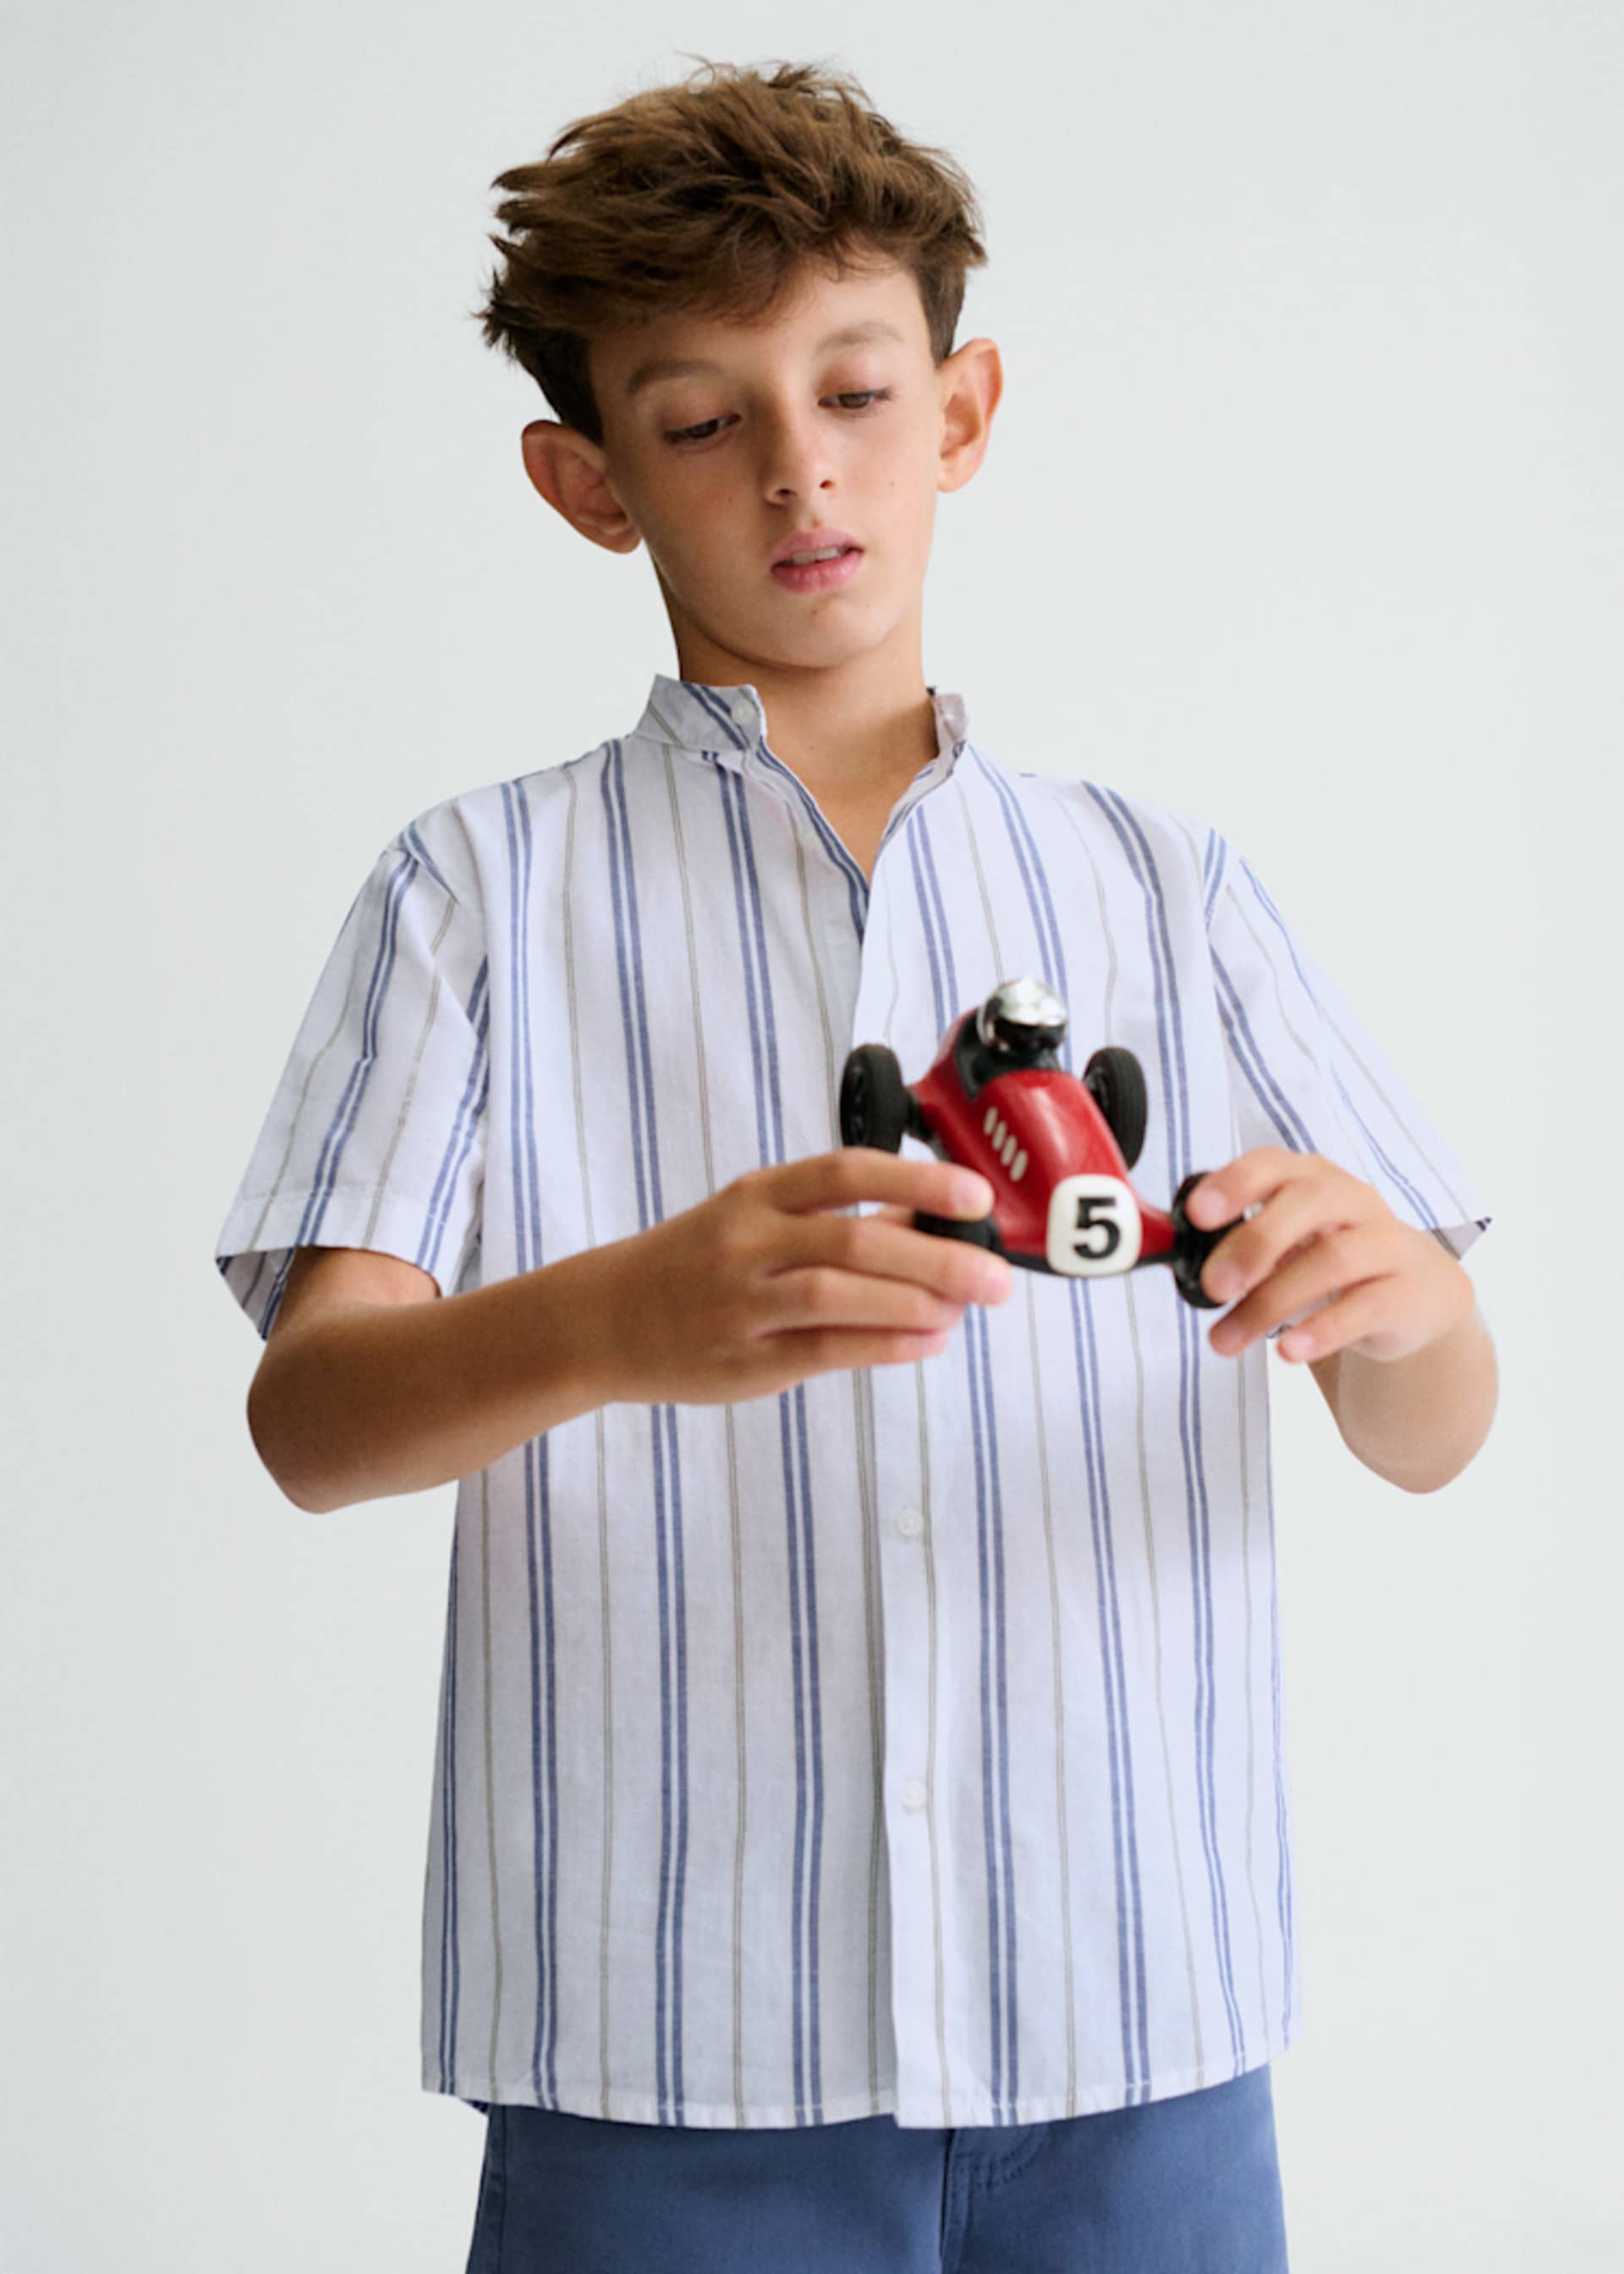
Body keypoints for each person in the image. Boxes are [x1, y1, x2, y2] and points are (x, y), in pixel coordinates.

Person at [211, 55, 1497, 2274]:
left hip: (1139, 2014)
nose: (801, 466)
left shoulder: (1164, 887)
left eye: (857, 390)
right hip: (667, 2047)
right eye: (703, 419)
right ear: (587, 480)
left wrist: (1405, 1307)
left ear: (963, 412)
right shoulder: (472, 896)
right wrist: (624, 1314)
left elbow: (1434, 1423)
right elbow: (311, 1423)